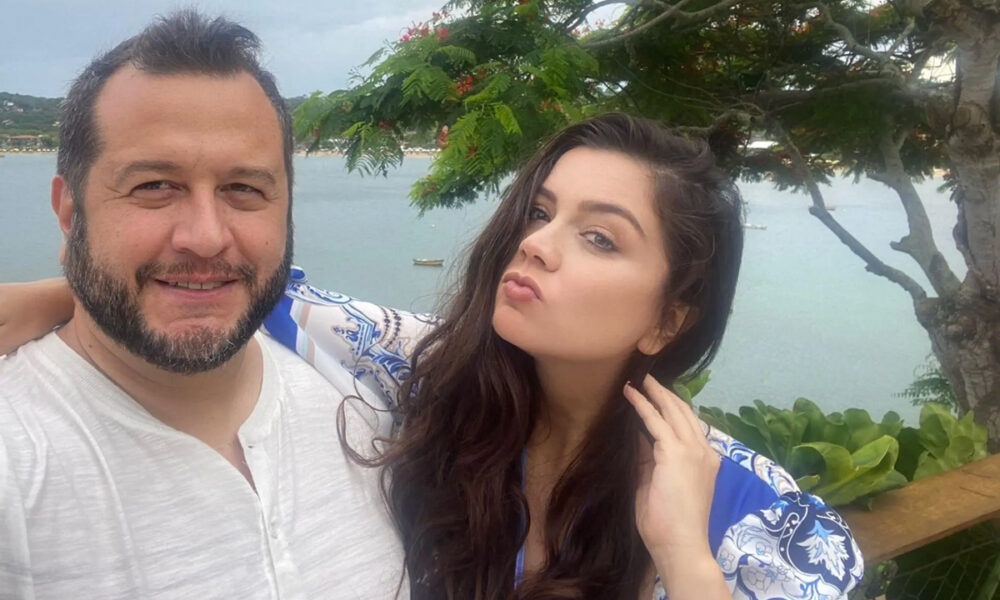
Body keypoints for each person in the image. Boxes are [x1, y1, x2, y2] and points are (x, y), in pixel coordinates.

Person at [3, 115, 865, 599]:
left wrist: (684, 555)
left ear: (666, 319)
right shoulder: (420, 370)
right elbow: (232, 292)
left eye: (599, 237)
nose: (537, 244)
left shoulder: (758, 519)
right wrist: (57, 297)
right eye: (541, 213)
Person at [0, 11, 410, 599]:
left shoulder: (359, 385)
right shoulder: (16, 458)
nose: (206, 236)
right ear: (69, 212)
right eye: (153, 186)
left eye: (243, 189)